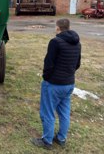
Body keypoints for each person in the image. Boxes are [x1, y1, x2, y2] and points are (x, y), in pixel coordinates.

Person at [31, 18, 81, 150]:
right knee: (64, 112)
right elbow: (77, 64)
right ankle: (61, 138)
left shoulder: (55, 42)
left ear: (58, 28)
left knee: (47, 112)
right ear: (68, 27)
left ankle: (47, 141)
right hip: (69, 83)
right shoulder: (77, 43)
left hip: (54, 84)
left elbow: (49, 63)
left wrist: (46, 78)